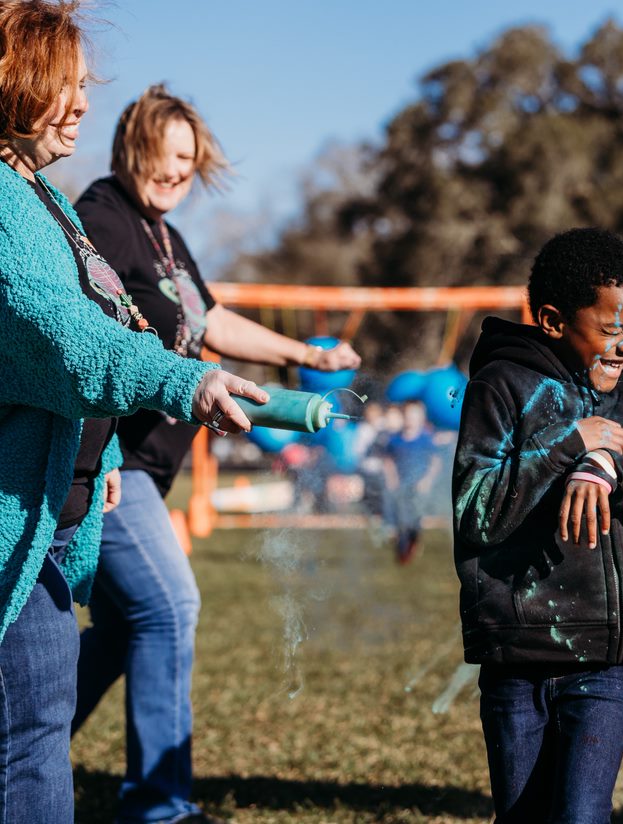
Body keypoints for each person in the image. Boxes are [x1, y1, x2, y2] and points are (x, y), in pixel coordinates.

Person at [69, 84, 361, 824]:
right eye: (167, 157)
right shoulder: (105, 218)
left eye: (189, 163)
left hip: (147, 470)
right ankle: (157, 808)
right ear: (133, 145)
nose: (177, 174)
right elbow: (90, 334)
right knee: (168, 609)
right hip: (114, 466)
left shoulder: (163, 233)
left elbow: (210, 321)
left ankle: (18, 747)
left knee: (125, 628)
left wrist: (303, 353)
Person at [0, 3, 264, 820]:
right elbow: (67, 342)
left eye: (83, 86)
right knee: (34, 736)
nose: (79, 103)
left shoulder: (43, 199)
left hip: (52, 507)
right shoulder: (29, 211)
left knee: (39, 717)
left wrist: (103, 460)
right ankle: (159, 803)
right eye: (61, 85)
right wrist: (186, 383)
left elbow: (111, 324)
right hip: (19, 515)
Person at [453, 228, 623, 822]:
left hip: (604, 659)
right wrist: (568, 445)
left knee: (583, 816)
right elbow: (475, 511)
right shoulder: (500, 385)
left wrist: (613, 468)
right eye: (612, 330)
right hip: (515, 654)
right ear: (555, 321)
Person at [382, 399, 442, 564]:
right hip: (401, 485)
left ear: (421, 418)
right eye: (407, 415)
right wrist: (391, 478)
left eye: (414, 415)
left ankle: (413, 542)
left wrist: (427, 481)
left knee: (413, 516)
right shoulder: (395, 440)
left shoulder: (425, 439)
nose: (410, 419)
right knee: (400, 514)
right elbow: (388, 460)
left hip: (419, 486)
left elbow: (435, 462)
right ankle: (400, 546)